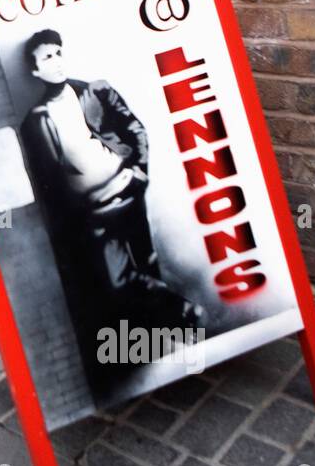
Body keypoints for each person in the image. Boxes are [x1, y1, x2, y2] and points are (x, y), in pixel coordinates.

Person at [18, 28, 203, 392]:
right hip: (93, 213)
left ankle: (169, 355)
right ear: (35, 71)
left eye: (58, 53)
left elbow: (135, 129)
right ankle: (181, 317)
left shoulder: (94, 90)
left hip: (127, 192)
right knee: (118, 280)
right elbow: (45, 181)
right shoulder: (35, 120)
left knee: (146, 262)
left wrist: (139, 173)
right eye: (46, 58)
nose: (55, 62)